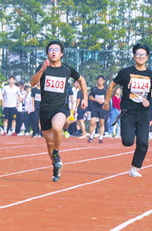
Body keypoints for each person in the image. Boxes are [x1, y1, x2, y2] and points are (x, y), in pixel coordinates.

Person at [31, 40, 88, 182]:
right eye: (51, 50)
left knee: (57, 128)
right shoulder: (43, 67)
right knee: (49, 142)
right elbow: (32, 82)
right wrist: (41, 70)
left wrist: (85, 98)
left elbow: (82, 80)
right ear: (47, 53)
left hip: (61, 108)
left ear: (61, 53)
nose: (54, 52)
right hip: (45, 109)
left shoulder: (67, 69)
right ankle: (56, 167)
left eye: (56, 49)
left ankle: (57, 153)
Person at [103, 44, 152, 177]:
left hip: (143, 114)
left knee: (143, 143)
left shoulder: (151, 75)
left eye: (143, 55)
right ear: (134, 56)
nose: (140, 57)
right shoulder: (125, 72)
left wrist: (149, 102)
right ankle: (129, 132)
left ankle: (134, 168)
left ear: (147, 57)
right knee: (128, 141)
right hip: (127, 112)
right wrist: (107, 101)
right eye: (138, 54)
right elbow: (112, 84)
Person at [88, 75, 107, 143]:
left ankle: (101, 138)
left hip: (102, 108)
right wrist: (96, 100)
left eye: (101, 80)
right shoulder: (94, 89)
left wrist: (105, 101)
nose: (100, 81)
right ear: (97, 81)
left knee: (101, 123)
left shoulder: (105, 90)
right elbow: (90, 97)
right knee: (92, 122)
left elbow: (108, 98)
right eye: (99, 80)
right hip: (94, 107)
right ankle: (91, 136)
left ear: (104, 81)